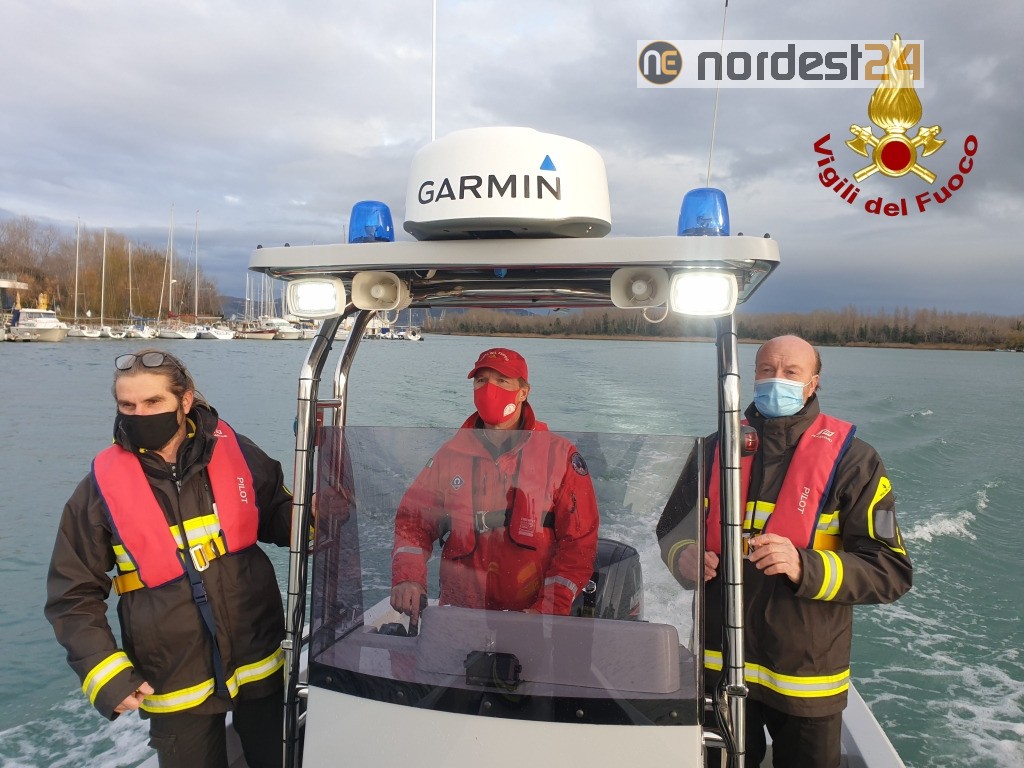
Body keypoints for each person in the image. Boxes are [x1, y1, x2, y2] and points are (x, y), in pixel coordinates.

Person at [656, 335, 912, 768]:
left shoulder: (855, 461)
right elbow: (670, 528)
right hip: (720, 665)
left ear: (813, 383)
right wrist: (684, 554)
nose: (777, 379)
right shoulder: (715, 448)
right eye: (767, 370)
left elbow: (890, 570)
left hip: (806, 678)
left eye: (791, 372)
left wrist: (804, 566)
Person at [45, 350, 294, 768]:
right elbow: (71, 593)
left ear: (185, 400)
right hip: (174, 677)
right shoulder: (98, 490)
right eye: (127, 405)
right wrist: (103, 671)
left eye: (152, 402)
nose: (139, 414)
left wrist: (317, 517)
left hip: (258, 655)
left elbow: (276, 513)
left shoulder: (237, 453)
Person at [391, 347, 599, 621]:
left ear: (523, 392)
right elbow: (413, 520)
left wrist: (547, 610)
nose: (489, 389)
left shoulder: (559, 456)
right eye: (481, 381)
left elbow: (579, 543)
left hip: (531, 619)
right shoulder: (451, 454)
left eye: (502, 380)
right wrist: (408, 577)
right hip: (461, 613)